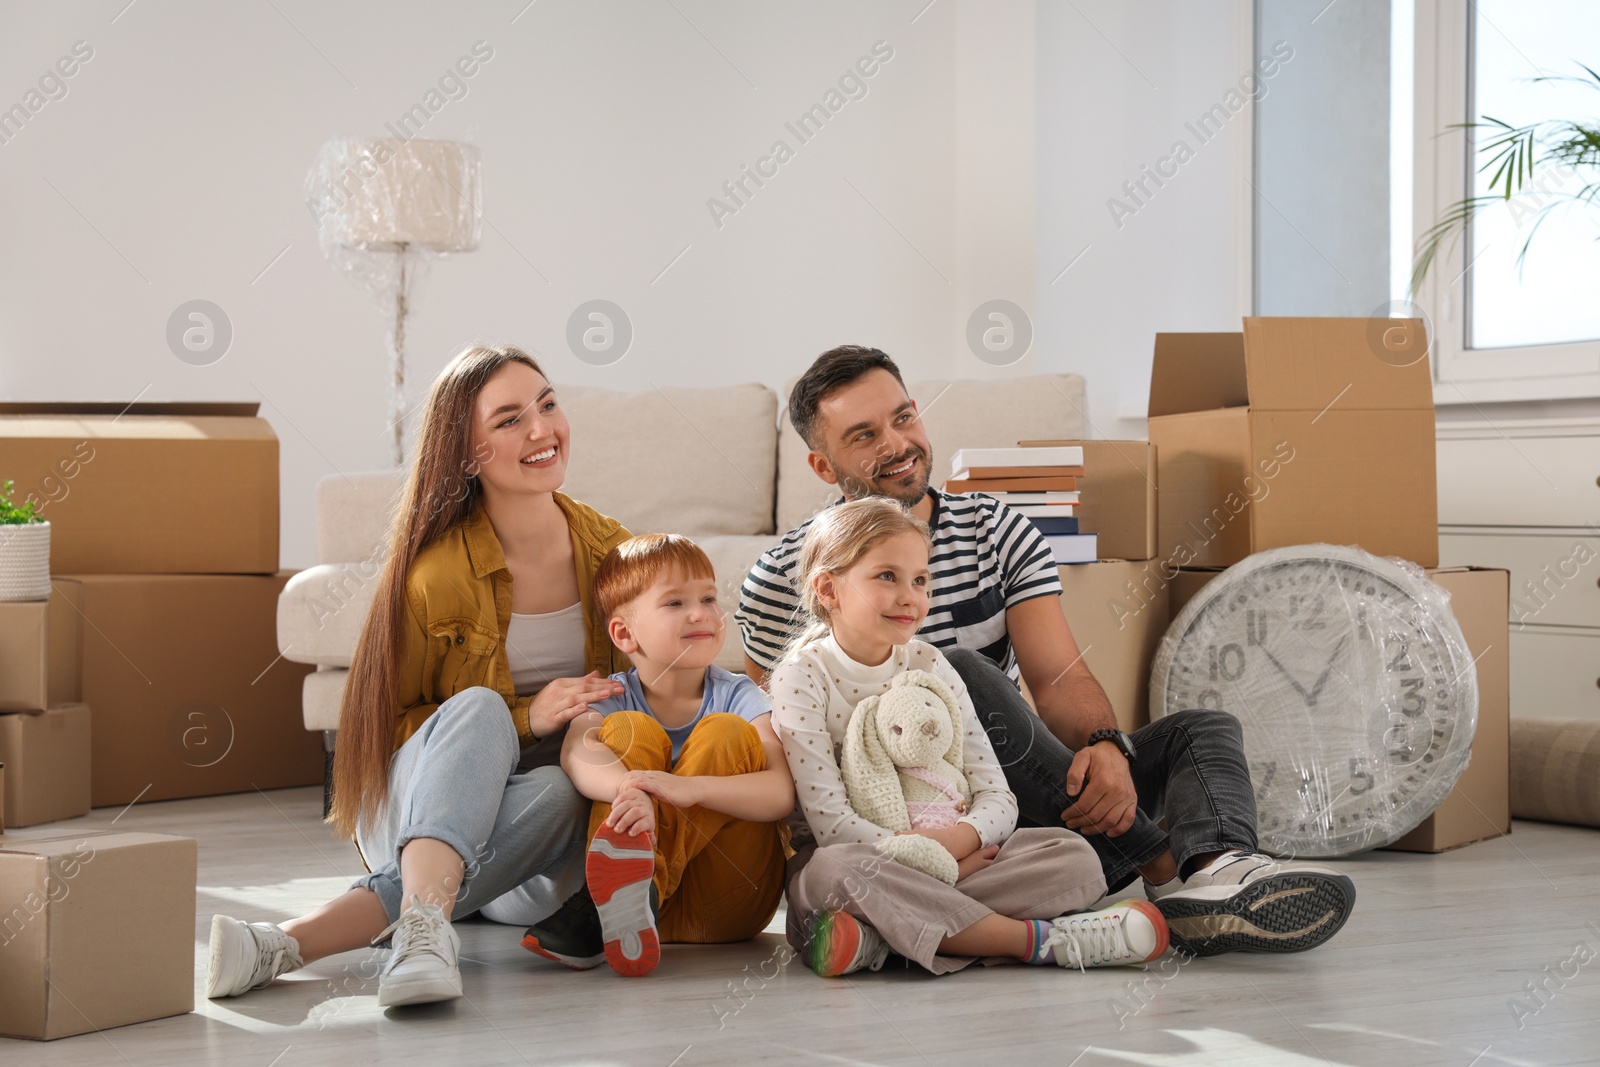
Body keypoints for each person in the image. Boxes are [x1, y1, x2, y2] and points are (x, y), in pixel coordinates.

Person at [738, 345, 1357, 958]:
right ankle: (1157, 867)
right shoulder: (783, 578)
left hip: (1004, 795)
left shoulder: (995, 528)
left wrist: (1106, 746)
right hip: (885, 818)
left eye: (903, 417)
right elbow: (778, 741)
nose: (897, 444)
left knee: (1203, 729)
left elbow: (1057, 677)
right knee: (961, 666)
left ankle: (1219, 871)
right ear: (824, 466)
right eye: (864, 435)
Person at [206, 344, 634, 1006]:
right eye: (510, 419)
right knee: (480, 709)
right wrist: (527, 715)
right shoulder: (437, 573)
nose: (542, 429)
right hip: (410, 814)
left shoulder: (613, 553)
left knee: (558, 790)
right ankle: (424, 926)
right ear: (466, 454)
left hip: (519, 852)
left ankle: (297, 941)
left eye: (548, 404)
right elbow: (385, 728)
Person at [771, 496, 1170, 976]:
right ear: (828, 589)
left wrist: (959, 841)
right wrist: (943, 864)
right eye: (886, 577)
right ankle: (1037, 941)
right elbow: (831, 827)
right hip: (863, 860)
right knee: (830, 874)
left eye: (920, 580)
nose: (910, 596)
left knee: (1074, 858)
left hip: (956, 854)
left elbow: (995, 794)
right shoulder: (802, 676)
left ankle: (882, 937)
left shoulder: (931, 664)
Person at [521, 533, 793, 976]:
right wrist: (633, 788)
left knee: (725, 733)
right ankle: (631, 899)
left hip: (729, 904)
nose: (700, 612)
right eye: (674, 603)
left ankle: (609, 901)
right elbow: (576, 752)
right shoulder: (612, 695)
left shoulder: (739, 695)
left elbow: (781, 791)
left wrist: (688, 789)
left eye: (708, 597)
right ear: (624, 633)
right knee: (629, 732)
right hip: (636, 918)